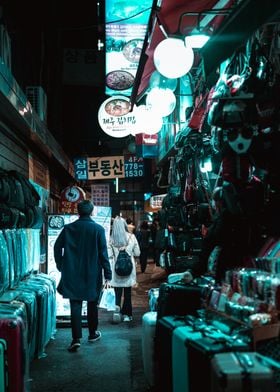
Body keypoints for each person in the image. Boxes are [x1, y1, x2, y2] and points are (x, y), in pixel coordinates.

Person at [54, 200, 112, 352]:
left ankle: (76, 339)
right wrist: (108, 273)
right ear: (92, 212)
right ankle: (92, 333)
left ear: (78, 212)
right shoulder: (98, 230)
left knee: (75, 304)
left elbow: (56, 246)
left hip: (72, 272)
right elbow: (103, 254)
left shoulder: (68, 228)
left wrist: (61, 265)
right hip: (93, 273)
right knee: (92, 303)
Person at [108, 216, 140, 322]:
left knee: (117, 293)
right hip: (129, 270)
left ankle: (117, 313)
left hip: (116, 270)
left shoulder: (111, 239)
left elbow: (109, 255)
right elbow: (137, 253)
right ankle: (127, 315)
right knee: (127, 293)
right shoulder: (132, 237)